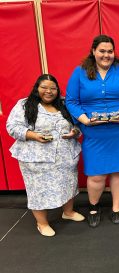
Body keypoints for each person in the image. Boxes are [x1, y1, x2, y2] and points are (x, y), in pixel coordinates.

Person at [66, 34, 119, 227]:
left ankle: (116, 206)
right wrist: (85, 120)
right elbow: (71, 101)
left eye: (110, 51)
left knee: (118, 171)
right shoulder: (80, 72)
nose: (106, 55)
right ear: (93, 51)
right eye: (102, 51)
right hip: (94, 132)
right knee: (96, 174)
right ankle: (94, 206)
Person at [6, 74, 84, 237]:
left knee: (68, 184)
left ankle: (68, 212)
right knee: (38, 190)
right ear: (37, 88)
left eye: (53, 88)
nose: (48, 91)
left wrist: (74, 132)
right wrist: (33, 135)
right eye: (44, 87)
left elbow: (78, 125)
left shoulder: (64, 104)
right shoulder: (25, 105)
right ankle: (42, 223)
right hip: (36, 157)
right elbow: (12, 126)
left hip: (65, 155)